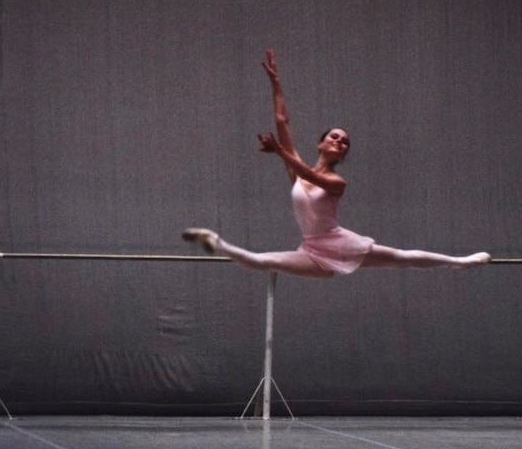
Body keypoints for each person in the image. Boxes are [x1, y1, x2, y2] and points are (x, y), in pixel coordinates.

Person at [183, 50, 491, 278]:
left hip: (340, 243)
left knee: (400, 257)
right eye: (334, 136)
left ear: (342, 155)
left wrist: (280, 153)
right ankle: (217, 241)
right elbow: (283, 123)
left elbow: (305, 171)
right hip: (312, 248)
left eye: (344, 142)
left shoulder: (336, 183)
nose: (339, 141)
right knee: (265, 261)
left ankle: (462, 262)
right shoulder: (297, 171)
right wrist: (276, 84)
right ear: (320, 142)